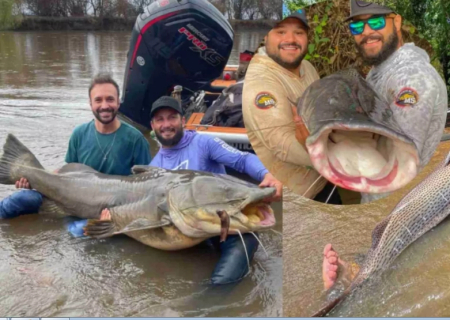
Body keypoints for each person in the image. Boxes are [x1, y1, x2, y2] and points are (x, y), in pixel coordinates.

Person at [322, 0, 449, 289]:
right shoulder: (379, 72)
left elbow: (395, 159)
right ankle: (356, 275)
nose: (366, 31)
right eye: (357, 25)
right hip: (385, 211)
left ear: (397, 22)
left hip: (413, 218)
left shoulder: (411, 78)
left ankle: (358, 279)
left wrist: (334, 137)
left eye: (376, 22)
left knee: (391, 285)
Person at [149, 95, 282, 285]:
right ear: (153, 126)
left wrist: (266, 174)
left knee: (248, 238)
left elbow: (242, 160)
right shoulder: (154, 168)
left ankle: (215, 296)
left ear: (183, 120)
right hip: (186, 233)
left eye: (172, 117)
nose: (166, 124)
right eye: (160, 120)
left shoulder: (203, 143)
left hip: (222, 225)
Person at [0, 73, 152, 221]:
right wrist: (32, 179)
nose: (104, 105)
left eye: (110, 99)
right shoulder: (79, 134)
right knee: (20, 199)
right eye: (98, 100)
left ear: (118, 103)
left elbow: (145, 188)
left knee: (79, 233)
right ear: (90, 104)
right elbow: (67, 172)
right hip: (69, 199)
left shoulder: (136, 139)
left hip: (109, 210)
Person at [242, 9, 339, 203]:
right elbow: (282, 144)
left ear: (307, 38)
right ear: (266, 36)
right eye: (280, 31)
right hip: (298, 199)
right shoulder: (260, 79)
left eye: (299, 32)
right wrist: (341, 160)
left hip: (324, 181)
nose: (291, 39)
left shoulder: (308, 68)